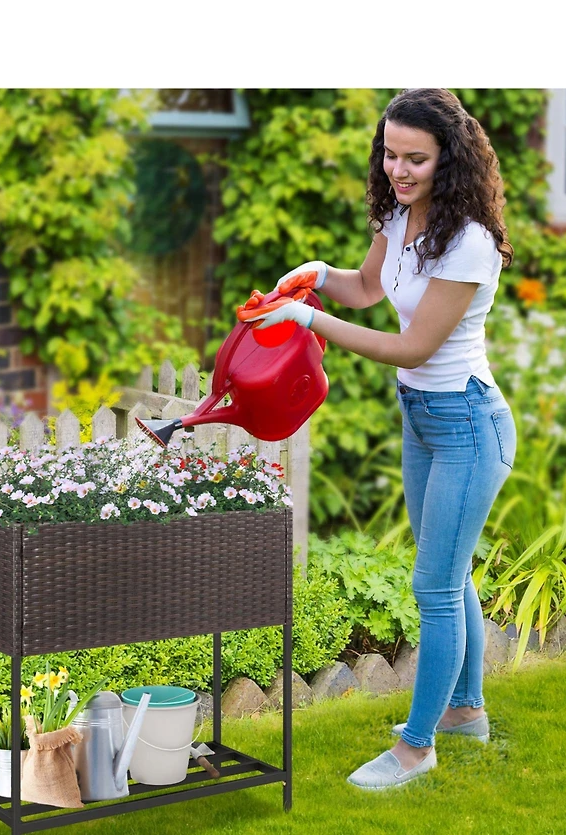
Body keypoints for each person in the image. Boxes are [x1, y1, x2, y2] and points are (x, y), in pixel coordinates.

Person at [239, 88, 517, 790]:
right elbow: (366, 287)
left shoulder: (469, 243)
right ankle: (467, 711)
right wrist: (317, 277)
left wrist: (307, 321)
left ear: (448, 159)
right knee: (450, 575)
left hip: (467, 424)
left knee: (435, 586)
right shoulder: (399, 217)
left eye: (415, 159)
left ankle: (417, 747)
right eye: (390, 154)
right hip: (422, 420)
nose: (398, 169)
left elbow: (414, 347)